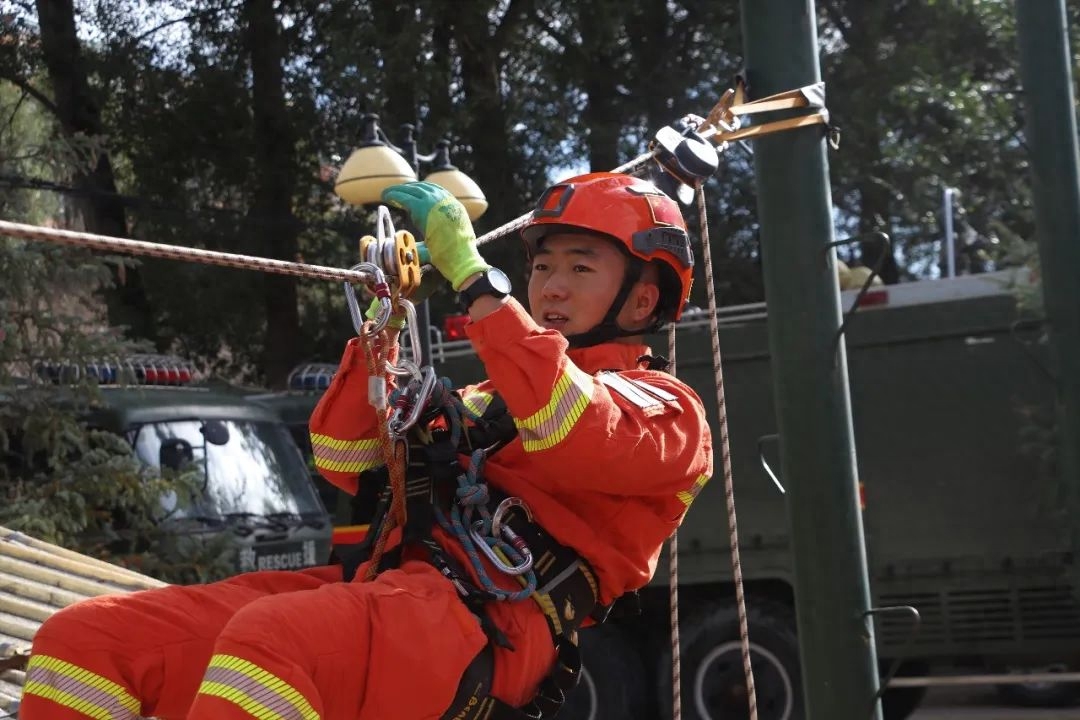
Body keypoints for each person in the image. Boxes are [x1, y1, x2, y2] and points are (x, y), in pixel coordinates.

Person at [19, 171, 713, 720]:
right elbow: (345, 461)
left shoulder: (668, 415)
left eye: (581, 269)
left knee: (274, 643)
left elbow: (573, 427)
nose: (551, 287)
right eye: (543, 267)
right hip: (389, 594)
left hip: (486, 628)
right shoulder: (489, 398)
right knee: (86, 641)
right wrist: (380, 332)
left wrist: (475, 283)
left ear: (642, 301)